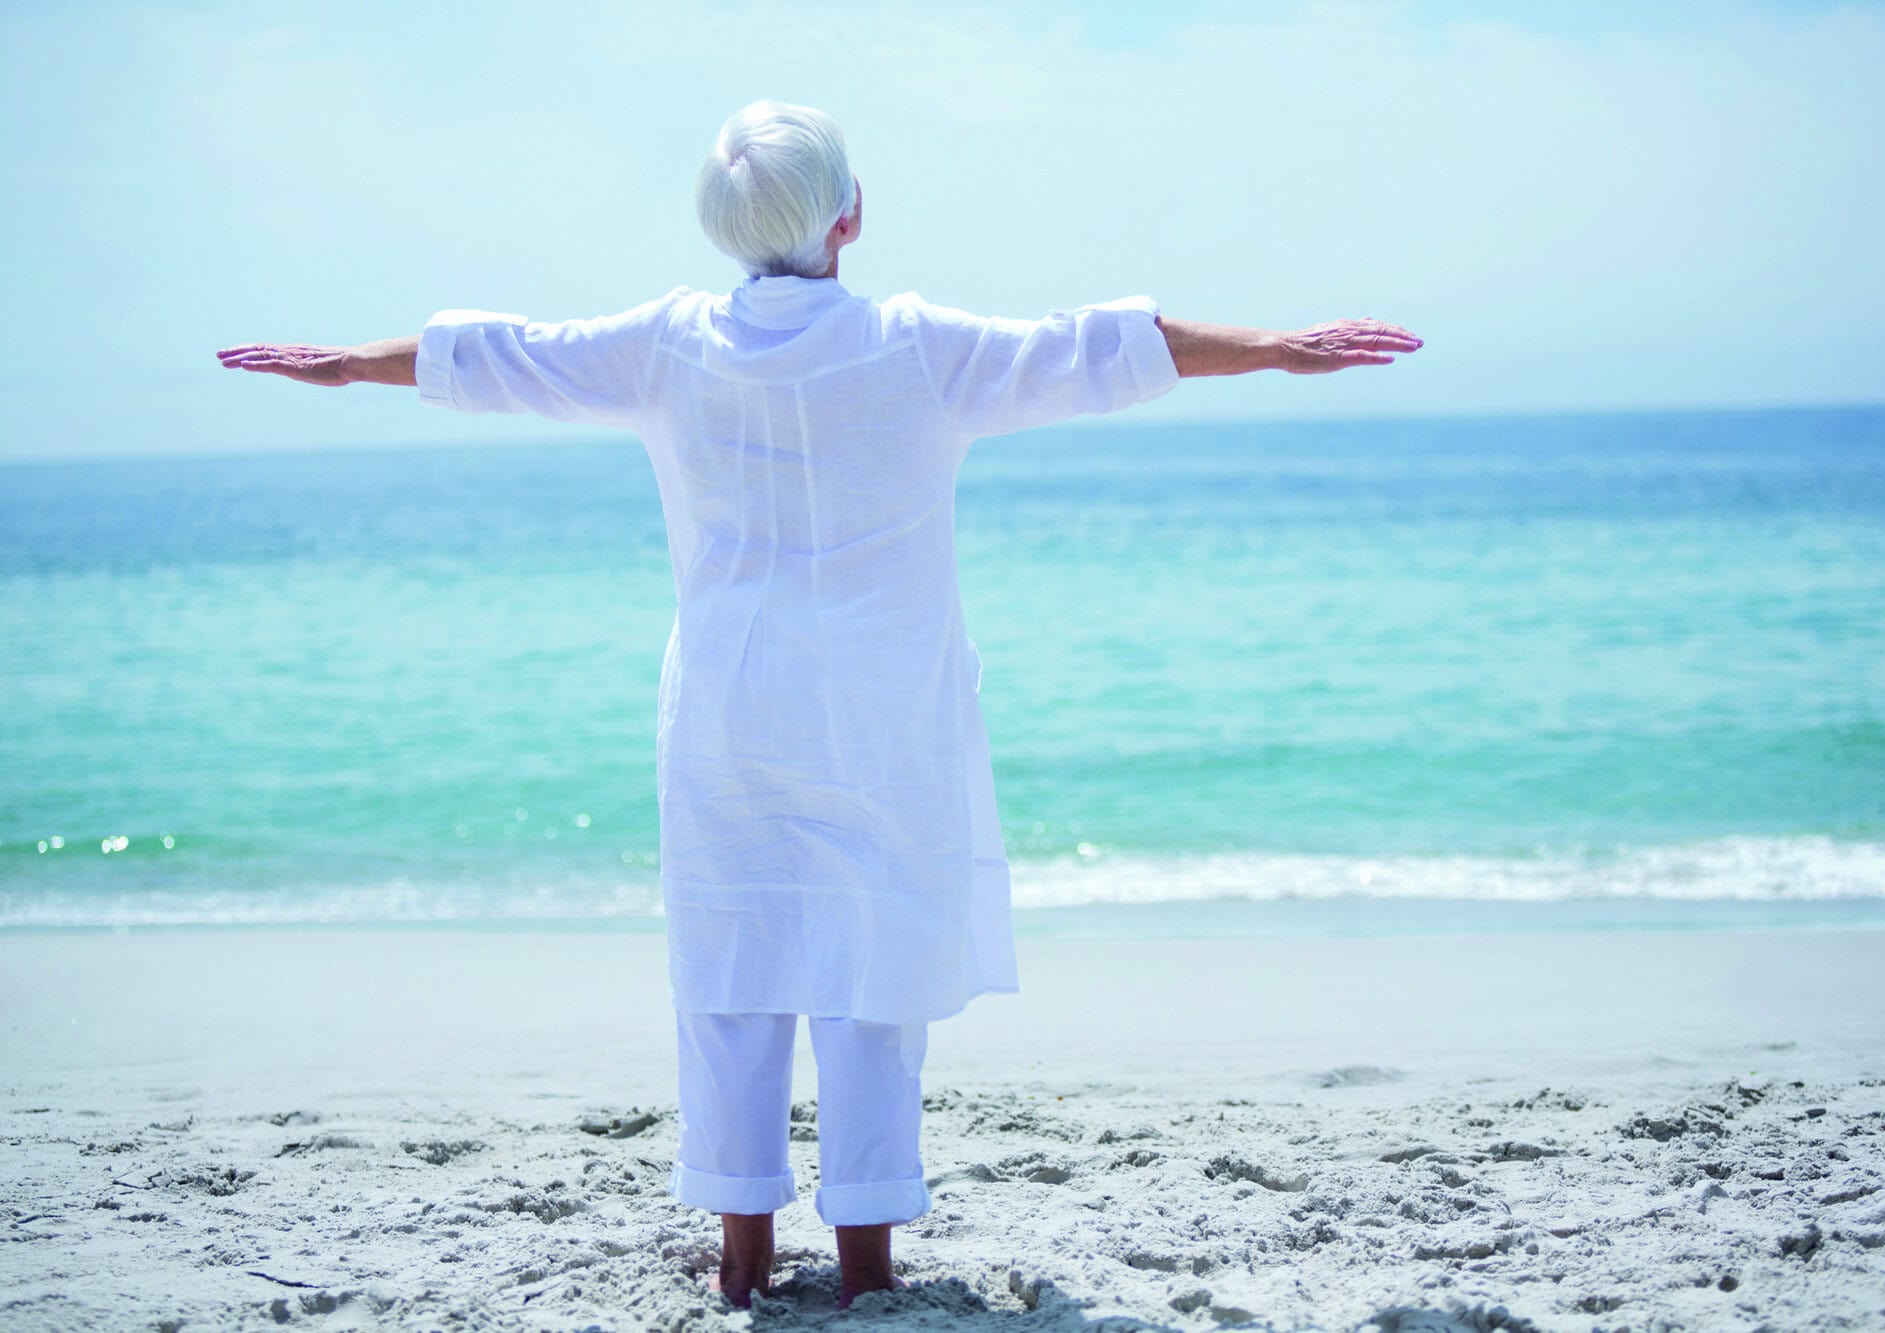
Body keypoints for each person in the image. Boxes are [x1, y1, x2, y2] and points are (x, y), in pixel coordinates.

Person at [216, 99, 1422, 1311]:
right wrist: (1276, 344)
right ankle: (865, 1270)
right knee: (870, 980)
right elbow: (1099, 346)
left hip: (728, 703)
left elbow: (497, 355)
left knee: (731, 966)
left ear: (726, 227)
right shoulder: (913, 343)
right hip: (879, 709)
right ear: (851, 216)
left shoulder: (666, 342)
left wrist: (343, 364)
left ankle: (741, 1258)